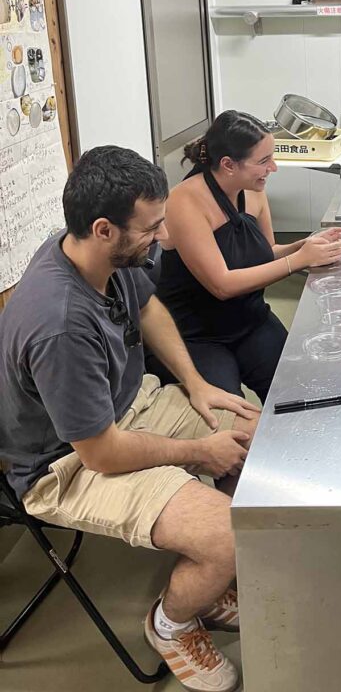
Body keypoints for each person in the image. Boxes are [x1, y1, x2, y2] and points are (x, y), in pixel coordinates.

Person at [0, 146, 261, 692]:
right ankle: (171, 624)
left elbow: (147, 307)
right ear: (103, 229)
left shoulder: (97, 254)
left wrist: (195, 384)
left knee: (262, 441)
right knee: (232, 534)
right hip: (67, 464)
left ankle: (209, 582)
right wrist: (199, 452)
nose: (163, 235)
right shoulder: (59, 324)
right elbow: (101, 453)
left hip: (126, 407)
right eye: (151, 227)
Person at [155, 110, 341, 400]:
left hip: (251, 319)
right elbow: (222, 285)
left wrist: (306, 245)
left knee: (299, 391)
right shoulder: (185, 201)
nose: (273, 168)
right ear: (228, 164)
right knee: (231, 414)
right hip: (199, 336)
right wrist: (299, 260)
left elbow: (268, 253)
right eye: (263, 161)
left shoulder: (253, 189)